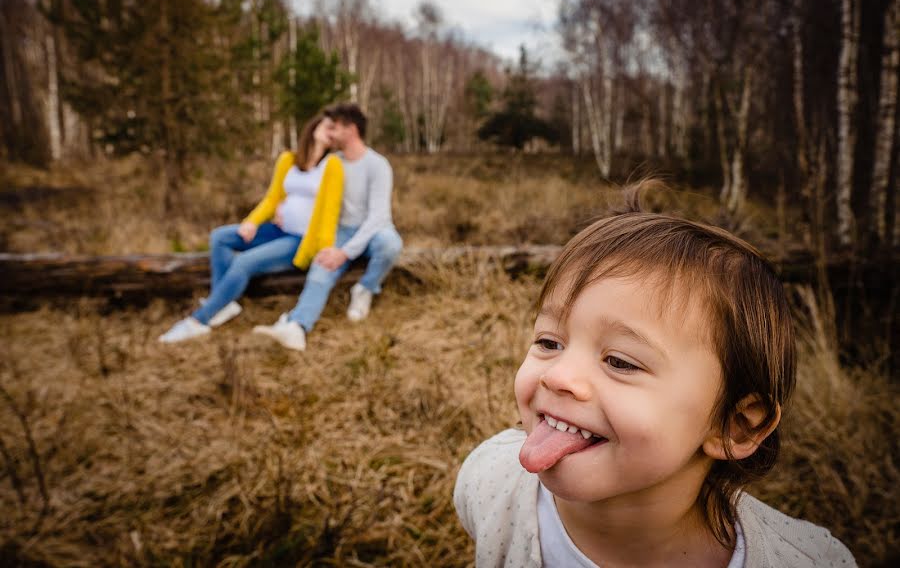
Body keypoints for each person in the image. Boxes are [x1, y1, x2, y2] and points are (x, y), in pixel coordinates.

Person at [453, 182, 856, 567]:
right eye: (549, 342)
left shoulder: (805, 561)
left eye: (621, 362)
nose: (558, 376)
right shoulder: (490, 482)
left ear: (735, 425)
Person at [158, 114, 344, 344]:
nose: (332, 131)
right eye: (329, 126)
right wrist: (251, 222)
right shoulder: (288, 159)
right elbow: (272, 197)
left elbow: (330, 211)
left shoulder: (332, 165)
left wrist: (324, 248)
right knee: (221, 237)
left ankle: (198, 321)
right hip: (277, 230)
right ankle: (224, 304)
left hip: (300, 240)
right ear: (314, 126)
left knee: (244, 262)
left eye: (336, 130)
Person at [252, 102, 403, 351]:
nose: (329, 133)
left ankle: (365, 289)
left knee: (391, 244)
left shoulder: (378, 165)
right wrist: (283, 207)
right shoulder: (332, 163)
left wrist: (344, 252)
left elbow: (377, 217)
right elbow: (304, 188)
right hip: (340, 230)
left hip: (374, 231)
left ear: (351, 129)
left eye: (334, 128)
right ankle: (297, 326)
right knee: (321, 267)